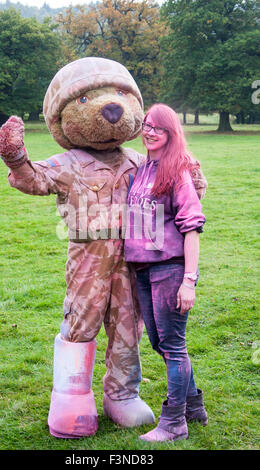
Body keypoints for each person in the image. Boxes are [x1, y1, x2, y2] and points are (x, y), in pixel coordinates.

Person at [124, 103, 208, 442]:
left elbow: (191, 228)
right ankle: (193, 406)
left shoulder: (176, 171)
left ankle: (174, 423)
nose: (150, 131)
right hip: (143, 269)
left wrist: (189, 280)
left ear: (170, 133)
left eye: (158, 127)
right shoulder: (143, 168)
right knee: (161, 342)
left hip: (170, 269)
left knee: (173, 344)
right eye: (146, 125)